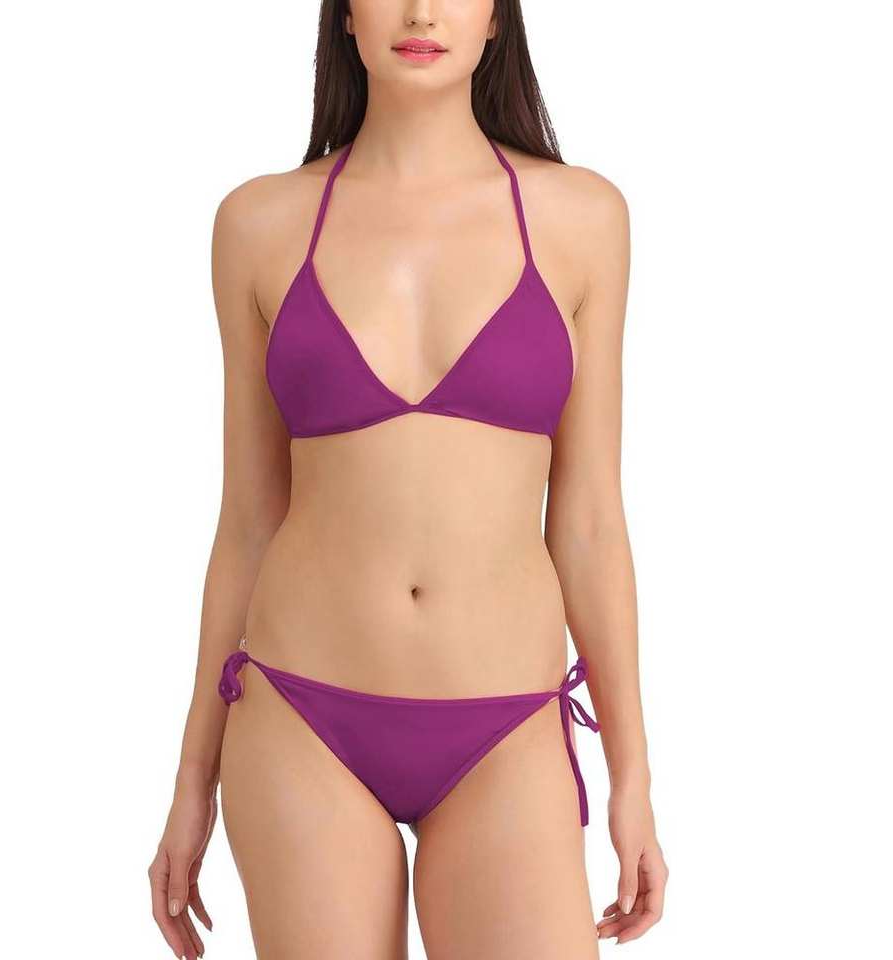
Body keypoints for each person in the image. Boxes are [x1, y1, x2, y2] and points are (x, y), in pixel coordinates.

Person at [148, 2, 668, 957]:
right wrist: (192, 778)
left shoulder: (583, 217)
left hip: (507, 723)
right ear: (344, 16)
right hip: (301, 712)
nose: (421, 10)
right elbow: (248, 519)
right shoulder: (257, 223)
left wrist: (632, 776)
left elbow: (591, 521)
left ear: (497, 19)